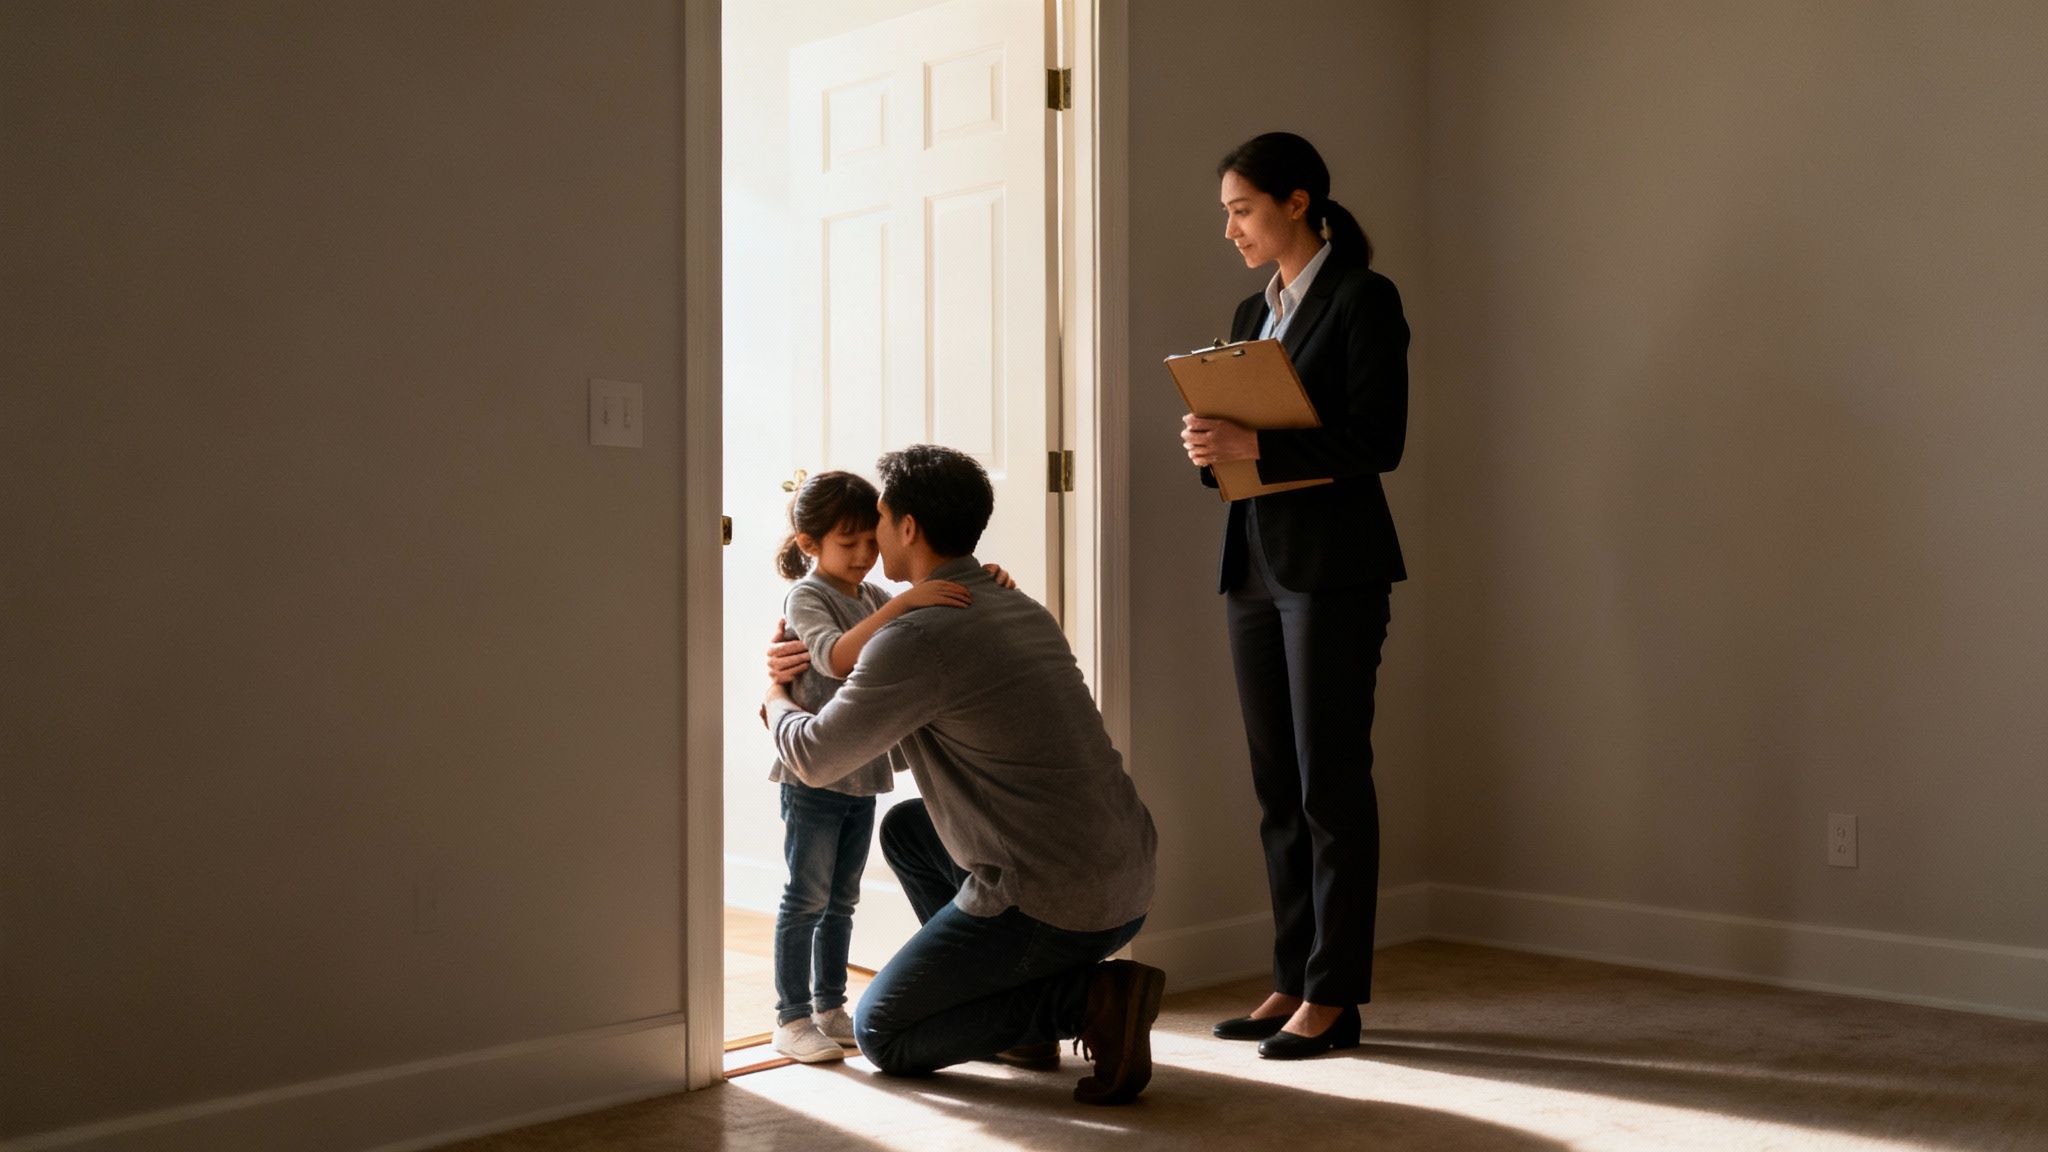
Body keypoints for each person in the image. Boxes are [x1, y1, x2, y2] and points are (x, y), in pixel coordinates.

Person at [762, 444, 1164, 1105]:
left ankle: (1087, 1000)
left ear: (909, 528)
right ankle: (1020, 1027)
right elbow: (897, 746)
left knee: (884, 1031)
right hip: (1125, 875)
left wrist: (773, 699)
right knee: (909, 831)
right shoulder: (1017, 606)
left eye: (882, 517)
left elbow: (815, 758)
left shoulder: (918, 637)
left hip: (1059, 903)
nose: (873, 536)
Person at [1179, 132, 1410, 1059]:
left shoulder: (1363, 298)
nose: (1231, 227)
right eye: (1228, 212)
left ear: (1299, 201)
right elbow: (1247, 446)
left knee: (1329, 782)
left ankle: (1335, 997)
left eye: (1242, 208)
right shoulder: (1252, 306)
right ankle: (1290, 979)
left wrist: (1257, 448)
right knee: (1277, 786)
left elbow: (1378, 441)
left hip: (1334, 570)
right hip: (1254, 567)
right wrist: (1212, 448)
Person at [764, 470, 972, 1063]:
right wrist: (906, 600)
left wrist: (986, 584)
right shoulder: (808, 595)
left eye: (869, 543)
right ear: (810, 544)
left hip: (860, 775)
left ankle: (830, 1007)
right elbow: (831, 658)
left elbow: (915, 635)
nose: (863, 556)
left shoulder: (873, 598)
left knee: (842, 898)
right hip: (812, 776)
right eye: (846, 543)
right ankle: (791, 1015)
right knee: (804, 897)